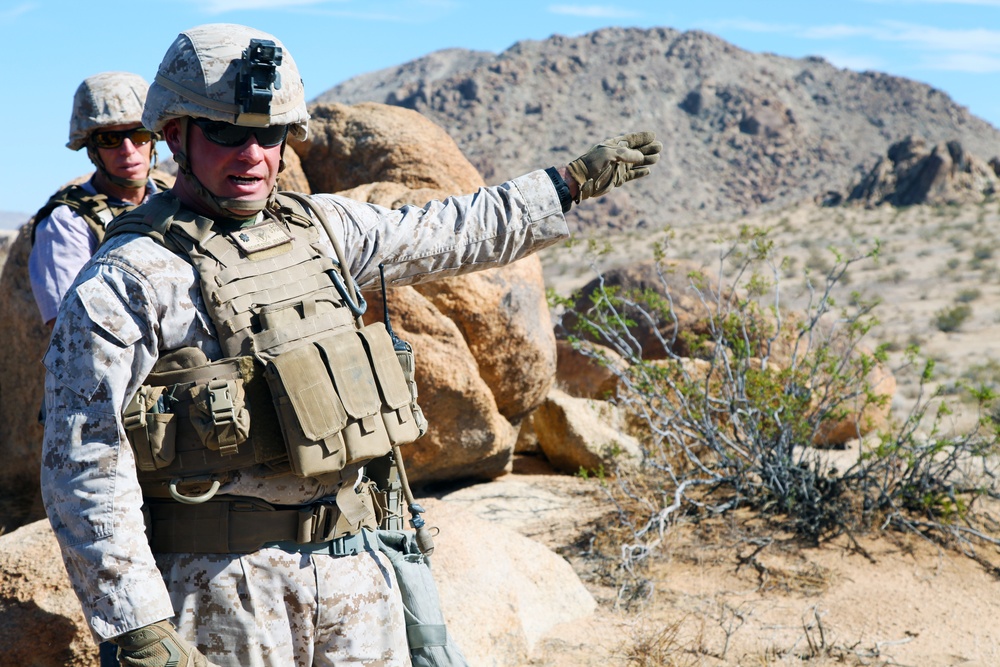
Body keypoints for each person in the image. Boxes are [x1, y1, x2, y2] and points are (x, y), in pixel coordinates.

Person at [39, 23, 661, 667]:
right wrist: (138, 627)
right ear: (175, 134)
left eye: (270, 133)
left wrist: (565, 183)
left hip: (356, 575)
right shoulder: (130, 277)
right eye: (226, 132)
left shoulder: (324, 228)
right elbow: (82, 458)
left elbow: (450, 229)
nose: (252, 153)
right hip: (221, 593)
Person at [29, 71, 167, 327]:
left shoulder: (174, 197)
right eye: (109, 139)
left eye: (139, 135)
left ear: (153, 140)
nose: (128, 150)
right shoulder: (66, 223)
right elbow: (72, 328)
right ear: (91, 148)